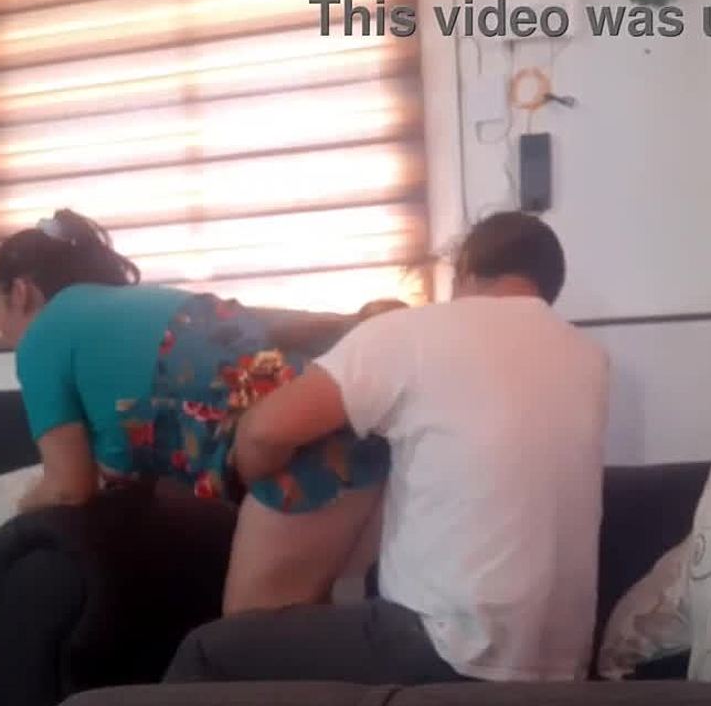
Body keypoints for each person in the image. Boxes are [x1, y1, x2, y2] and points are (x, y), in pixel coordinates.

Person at [164, 211, 611, 685]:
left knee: (209, 653)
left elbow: (264, 431)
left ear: (465, 269)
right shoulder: (589, 358)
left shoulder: (417, 331)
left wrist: (252, 484)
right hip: (562, 667)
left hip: (449, 649)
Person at [0, 208, 399, 612]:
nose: (2, 330)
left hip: (306, 453)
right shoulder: (135, 308)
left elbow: (68, 487)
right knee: (301, 628)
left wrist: (16, 514)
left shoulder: (41, 338)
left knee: (253, 638)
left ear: (21, 292)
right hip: (347, 430)